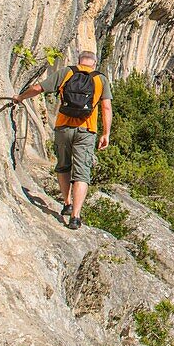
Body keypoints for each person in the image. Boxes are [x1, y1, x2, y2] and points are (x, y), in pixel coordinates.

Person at [15, 51, 112, 230]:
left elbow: (39, 88)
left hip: (63, 127)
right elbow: (106, 107)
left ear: (78, 61)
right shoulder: (100, 79)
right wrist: (106, 133)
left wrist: (20, 97)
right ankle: (75, 216)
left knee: (63, 165)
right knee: (82, 173)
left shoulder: (67, 72)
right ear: (94, 63)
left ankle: (67, 202)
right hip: (87, 130)